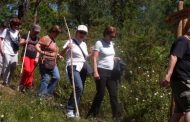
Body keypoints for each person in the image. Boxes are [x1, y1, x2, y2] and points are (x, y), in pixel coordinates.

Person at [87, 26, 120, 119]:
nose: (112, 38)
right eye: (111, 36)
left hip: (111, 72)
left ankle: (116, 117)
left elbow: (109, 56)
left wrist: (115, 58)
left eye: (114, 36)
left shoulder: (111, 44)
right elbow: (94, 57)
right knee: (100, 93)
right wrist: (95, 72)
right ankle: (92, 115)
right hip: (101, 70)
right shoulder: (99, 43)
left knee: (113, 94)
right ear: (106, 34)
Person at [160, 23, 190, 122]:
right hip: (182, 79)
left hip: (181, 80)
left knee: (178, 111)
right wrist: (168, 75)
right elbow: (174, 56)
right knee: (189, 109)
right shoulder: (183, 41)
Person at [61, 25, 90, 118]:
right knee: (78, 87)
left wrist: (92, 53)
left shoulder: (84, 44)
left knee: (80, 90)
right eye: (80, 32)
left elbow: (85, 57)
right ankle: (69, 110)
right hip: (72, 66)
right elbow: (61, 54)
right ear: (77, 32)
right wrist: (67, 48)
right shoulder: (70, 41)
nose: (82, 34)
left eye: (84, 33)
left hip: (83, 67)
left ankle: (73, 109)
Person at [36, 25, 61, 97]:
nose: (57, 34)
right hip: (45, 61)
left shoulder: (53, 40)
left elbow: (54, 51)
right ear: (52, 31)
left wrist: (58, 55)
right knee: (46, 78)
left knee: (57, 77)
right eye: (56, 33)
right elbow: (37, 45)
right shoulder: (45, 38)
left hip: (53, 62)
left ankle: (47, 93)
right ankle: (41, 96)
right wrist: (41, 52)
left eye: (58, 33)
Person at [18, 24, 41, 92]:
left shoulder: (38, 38)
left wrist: (37, 57)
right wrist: (25, 41)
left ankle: (27, 86)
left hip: (34, 57)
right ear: (32, 29)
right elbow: (20, 43)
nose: (36, 32)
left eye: (38, 31)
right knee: (27, 70)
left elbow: (39, 49)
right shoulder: (26, 35)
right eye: (35, 31)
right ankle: (22, 84)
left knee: (31, 72)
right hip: (26, 55)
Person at [0, 17, 21, 86]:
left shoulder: (18, 32)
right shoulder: (6, 30)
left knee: (13, 66)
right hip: (6, 50)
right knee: (6, 66)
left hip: (15, 52)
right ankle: (5, 81)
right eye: (15, 24)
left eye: (18, 25)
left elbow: (18, 42)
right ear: (12, 24)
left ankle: (9, 80)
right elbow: (1, 39)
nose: (17, 26)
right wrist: (2, 49)